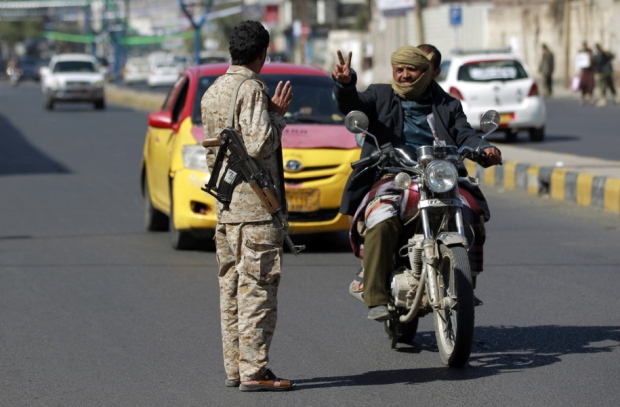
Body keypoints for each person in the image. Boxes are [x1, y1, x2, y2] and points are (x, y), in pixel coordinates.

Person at [333, 45, 502, 321]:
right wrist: (344, 84)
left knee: (471, 211)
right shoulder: (380, 95)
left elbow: (465, 135)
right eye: (399, 69)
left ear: (426, 73)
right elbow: (352, 106)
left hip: (438, 175)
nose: (404, 75)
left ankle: (465, 282)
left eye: (412, 69)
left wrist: (485, 149)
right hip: (393, 174)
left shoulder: (448, 104)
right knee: (382, 217)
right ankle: (375, 295)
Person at [201, 20, 294, 392]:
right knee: (257, 290)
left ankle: (236, 368)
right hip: (256, 208)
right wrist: (277, 114)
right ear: (262, 53)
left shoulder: (214, 90)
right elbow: (258, 144)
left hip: (226, 210)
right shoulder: (252, 88)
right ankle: (255, 372)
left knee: (232, 291)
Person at [575, 41, 595, 106]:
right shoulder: (581, 52)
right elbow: (578, 61)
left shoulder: (590, 52)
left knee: (590, 85)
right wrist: (577, 71)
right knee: (583, 85)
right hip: (584, 71)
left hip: (589, 71)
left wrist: (590, 57)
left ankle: (590, 98)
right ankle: (582, 99)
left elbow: (592, 61)